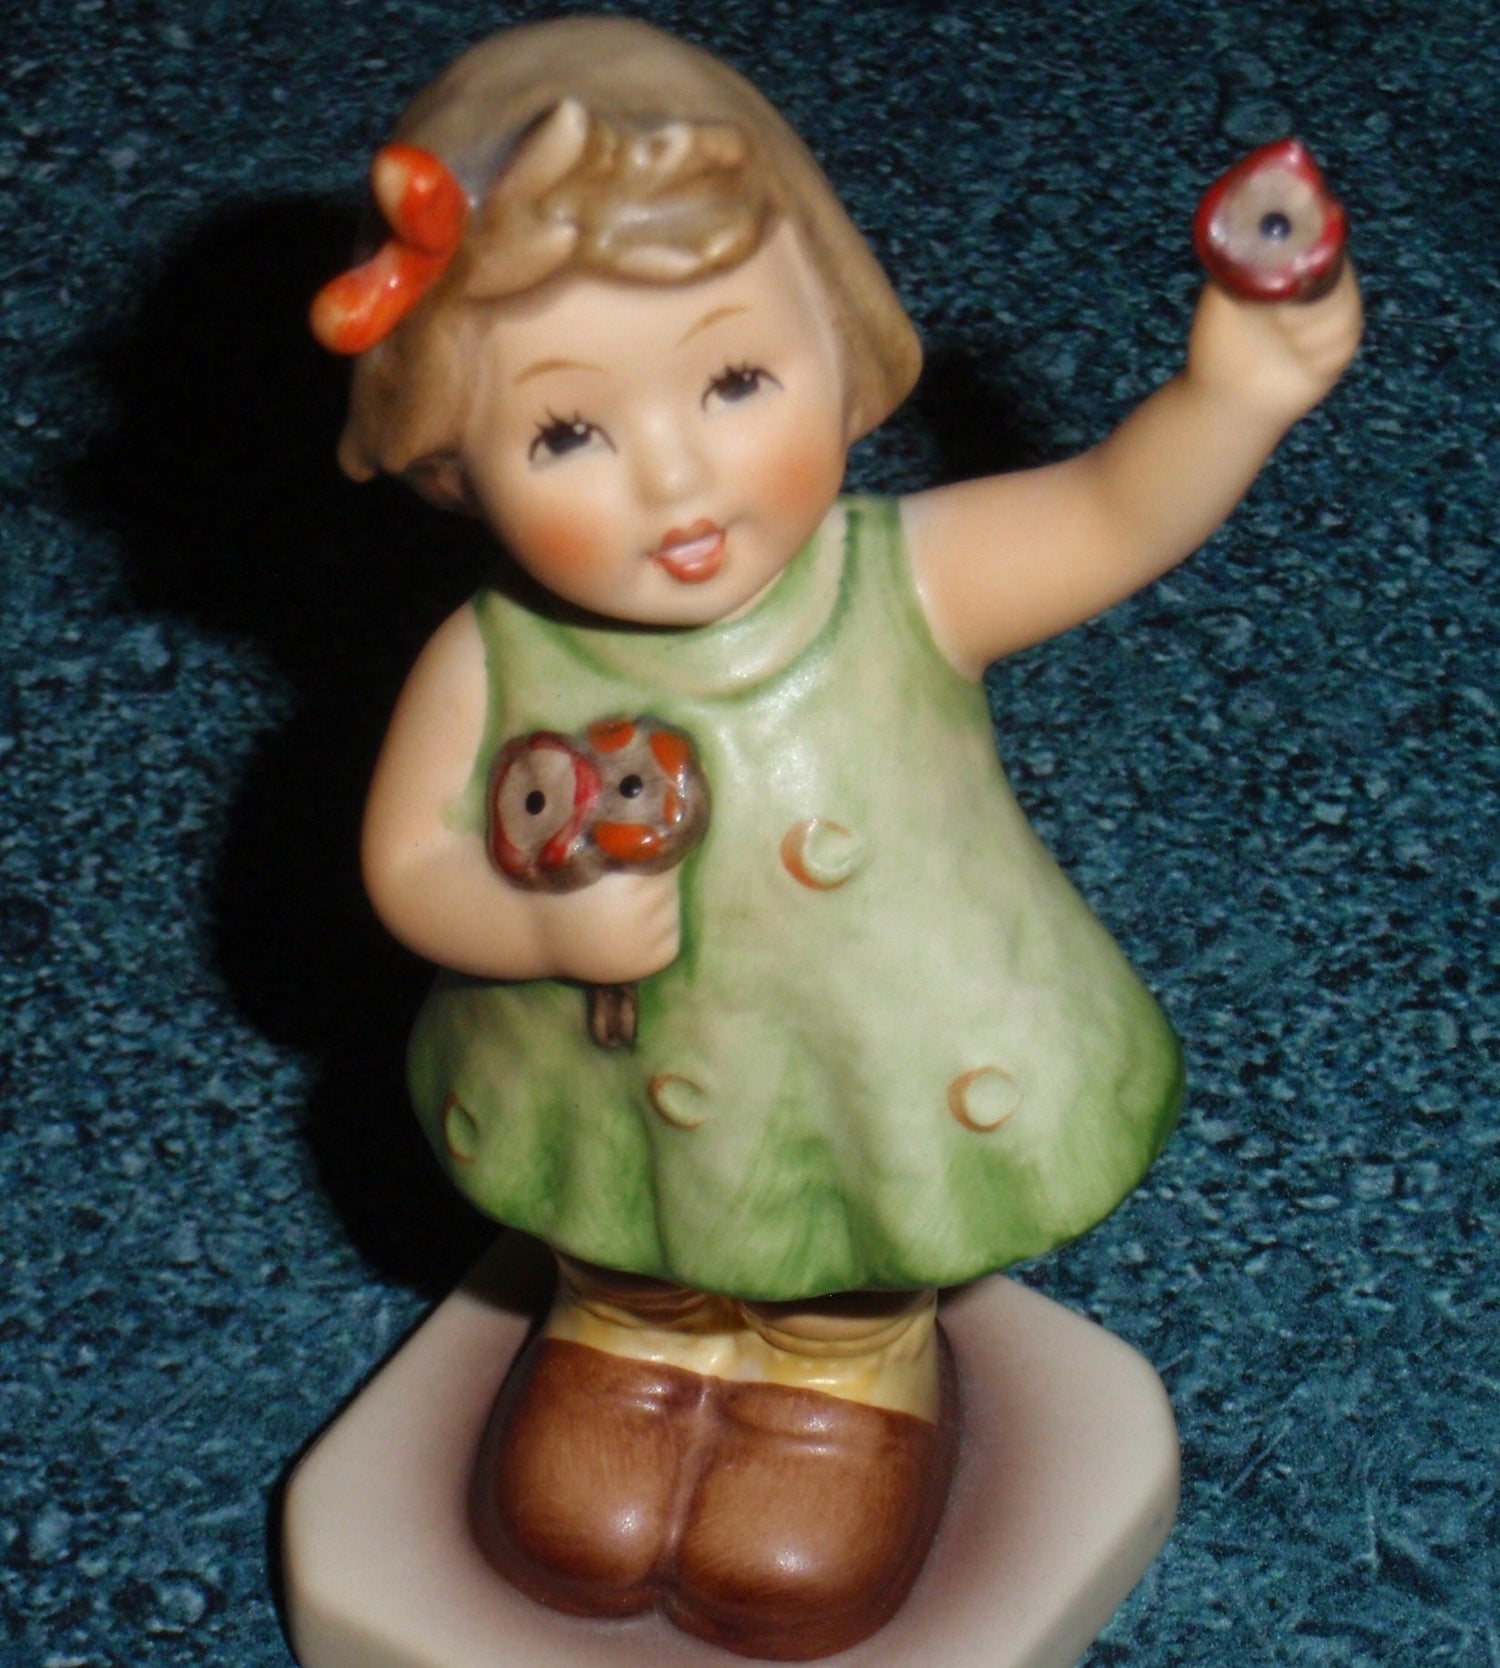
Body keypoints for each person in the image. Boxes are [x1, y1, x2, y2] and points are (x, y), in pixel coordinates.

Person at [313, 16, 1362, 1658]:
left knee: (853, 1239)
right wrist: (538, 929)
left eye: (735, 381)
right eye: (568, 432)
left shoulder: (907, 578)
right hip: (606, 1073)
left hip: (873, 1056)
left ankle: (844, 1370)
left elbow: (1108, 509)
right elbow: (409, 866)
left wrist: (1233, 399)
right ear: (456, 462)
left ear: (841, 341)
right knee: (618, 1267)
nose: (677, 477)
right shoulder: (492, 657)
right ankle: (633, 1339)